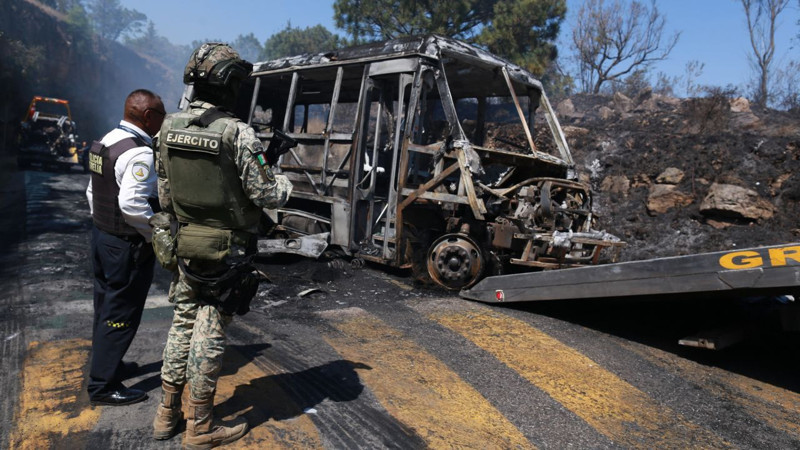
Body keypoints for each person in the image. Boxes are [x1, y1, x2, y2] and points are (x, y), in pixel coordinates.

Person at [151, 43, 292, 448]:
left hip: (184, 244)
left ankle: (166, 414)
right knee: (209, 330)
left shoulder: (168, 126)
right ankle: (199, 426)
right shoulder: (237, 132)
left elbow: (164, 194)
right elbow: (269, 194)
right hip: (225, 252)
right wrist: (280, 178)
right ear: (229, 84)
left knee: (181, 324)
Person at [85, 89, 166, 405]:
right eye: (161, 114)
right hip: (125, 245)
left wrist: (104, 226)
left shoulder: (106, 140)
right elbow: (132, 204)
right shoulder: (140, 153)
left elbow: (93, 192)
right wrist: (153, 233)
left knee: (105, 306)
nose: (162, 121)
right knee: (121, 313)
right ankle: (103, 386)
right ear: (148, 117)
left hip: (102, 237)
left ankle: (107, 364)